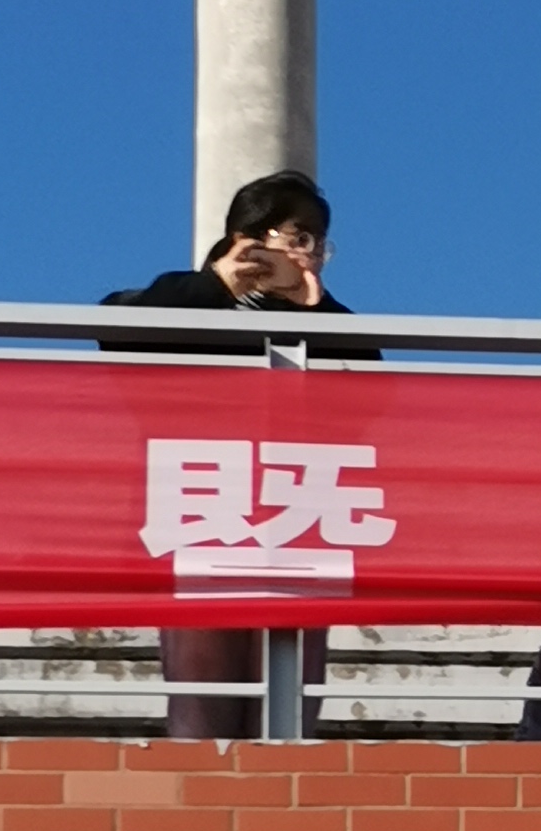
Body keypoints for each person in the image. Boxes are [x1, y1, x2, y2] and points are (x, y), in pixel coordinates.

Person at [102, 172, 366, 742]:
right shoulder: (186, 296)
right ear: (251, 236)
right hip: (205, 510)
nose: (308, 252)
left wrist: (317, 311)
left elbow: (372, 396)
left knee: (293, 698)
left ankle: (283, 790)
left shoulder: (326, 318)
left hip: (297, 517)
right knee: (203, 699)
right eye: (296, 235)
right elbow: (116, 330)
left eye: (317, 241)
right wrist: (218, 283)